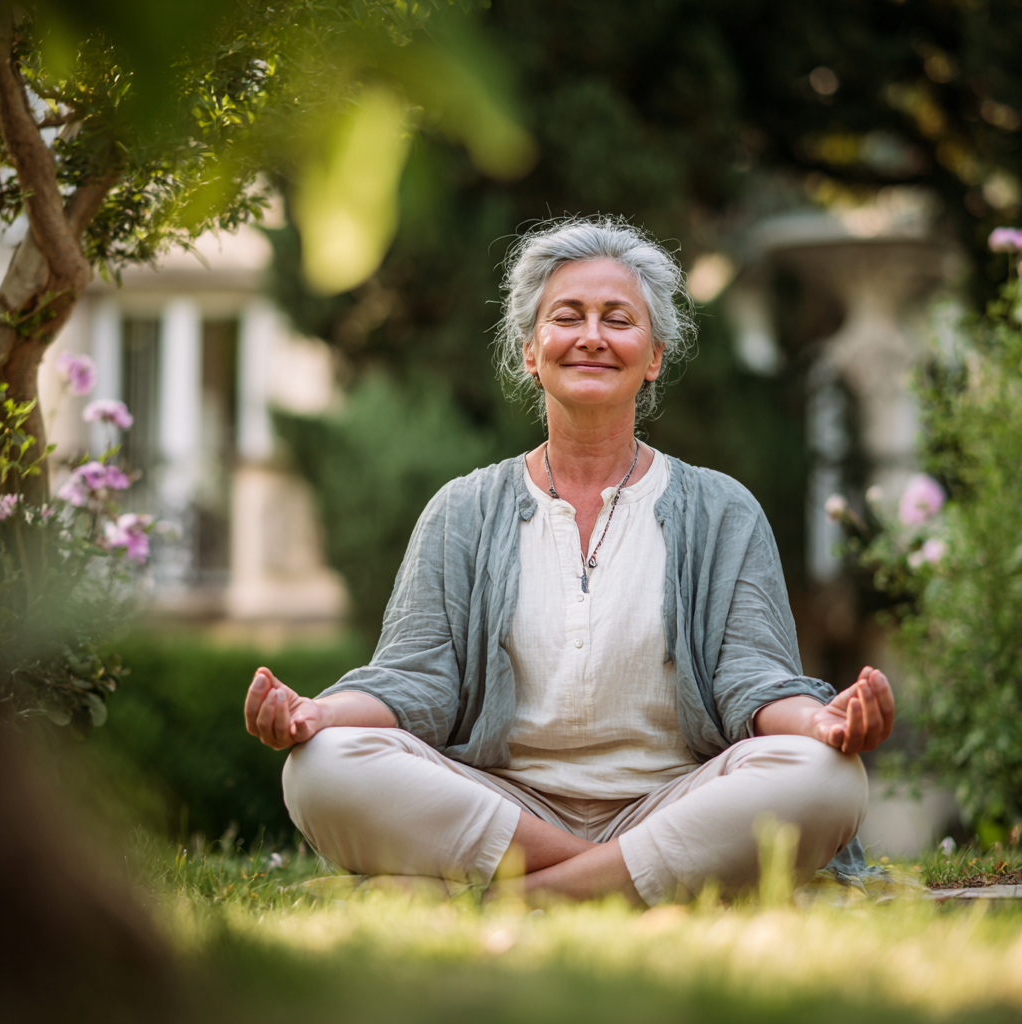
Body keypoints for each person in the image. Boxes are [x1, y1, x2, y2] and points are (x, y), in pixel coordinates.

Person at [244, 216, 894, 906]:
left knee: (825, 777)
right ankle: (624, 880)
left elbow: (755, 682)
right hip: (504, 804)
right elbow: (412, 681)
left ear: (654, 356)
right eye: (568, 316)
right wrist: (316, 714)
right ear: (530, 350)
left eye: (618, 319)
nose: (591, 336)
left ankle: (512, 896)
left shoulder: (721, 510)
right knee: (320, 767)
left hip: (677, 800)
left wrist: (822, 724)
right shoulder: (463, 509)